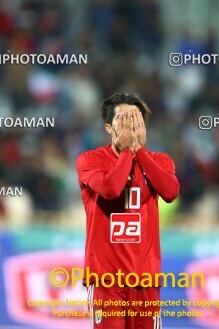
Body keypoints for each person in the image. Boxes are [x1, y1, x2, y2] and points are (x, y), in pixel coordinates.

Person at [76, 93, 179, 329]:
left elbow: (171, 193)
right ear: (109, 128)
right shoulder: (90, 160)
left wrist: (140, 152)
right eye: (124, 120)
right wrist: (126, 153)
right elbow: (111, 189)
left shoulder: (160, 161)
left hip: (145, 277)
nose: (130, 126)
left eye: (136, 120)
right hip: (105, 278)